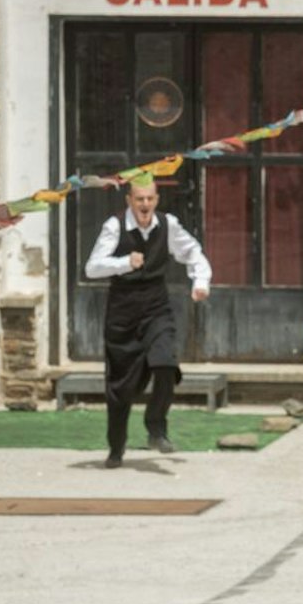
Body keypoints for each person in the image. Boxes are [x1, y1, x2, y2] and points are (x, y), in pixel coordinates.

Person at [84, 179, 211, 468]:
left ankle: (156, 427)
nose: (144, 205)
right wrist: (124, 263)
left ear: (156, 199)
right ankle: (116, 448)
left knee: (166, 363)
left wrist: (200, 281)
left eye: (150, 199)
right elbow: (92, 268)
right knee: (120, 387)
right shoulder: (114, 226)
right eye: (139, 199)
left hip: (156, 305)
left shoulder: (168, 224)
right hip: (122, 311)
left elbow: (192, 252)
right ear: (129, 200)